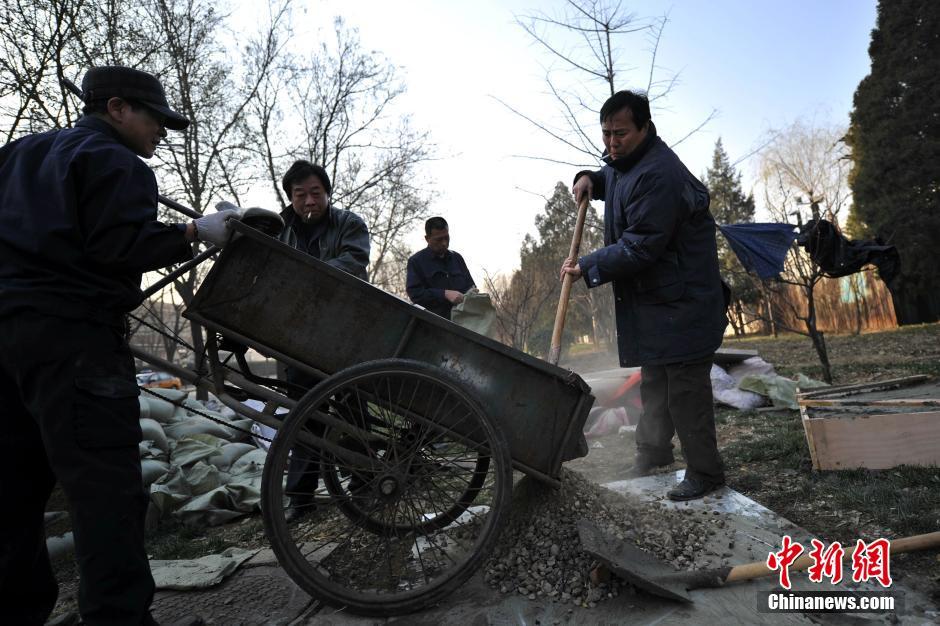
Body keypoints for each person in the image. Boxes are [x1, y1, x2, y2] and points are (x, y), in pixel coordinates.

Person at [0, 65, 237, 625]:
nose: (162, 131)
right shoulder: (115, 163)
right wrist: (195, 233)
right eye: (156, 118)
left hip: (6, 337)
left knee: (12, 494)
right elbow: (118, 246)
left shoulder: (16, 156)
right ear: (116, 109)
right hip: (74, 340)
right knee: (104, 490)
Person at [559, 90, 728, 502]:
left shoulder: (660, 175)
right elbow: (613, 176)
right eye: (605, 134)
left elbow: (642, 245)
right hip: (658, 303)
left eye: (620, 133)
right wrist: (590, 178)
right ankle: (653, 453)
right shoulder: (626, 161)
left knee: (685, 394)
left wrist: (588, 265)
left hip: (684, 302)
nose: (611, 143)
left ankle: (705, 473)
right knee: (654, 385)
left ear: (645, 128)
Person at [276, 159, 371, 522]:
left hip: (344, 333)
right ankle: (300, 499)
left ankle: (364, 483)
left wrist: (306, 276)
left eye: (316, 193)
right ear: (290, 197)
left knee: (353, 411)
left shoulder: (349, 223)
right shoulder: (277, 228)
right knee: (303, 415)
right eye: (300, 195)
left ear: (327, 193)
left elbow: (355, 260)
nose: (309, 201)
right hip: (295, 335)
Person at [406, 216, 476, 319]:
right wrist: (444, 294)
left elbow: (470, 286)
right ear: (427, 239)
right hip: (434, 325)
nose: (444, 243)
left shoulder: (457, 258)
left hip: (463, 323)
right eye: (438, 239)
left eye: (446, 238)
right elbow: (415, 294)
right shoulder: (416, 262)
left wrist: (473, 294)